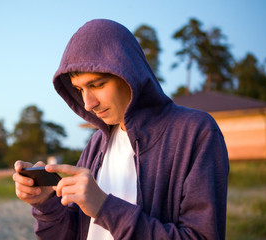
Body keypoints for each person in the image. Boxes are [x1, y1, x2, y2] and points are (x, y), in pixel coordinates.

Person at [13, 19, 229, 239]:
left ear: (129, 74)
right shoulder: (97, 144)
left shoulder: (196, 133)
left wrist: (105, 208)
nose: (88, 103)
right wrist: (46, 203)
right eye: (79, 89)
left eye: (97, 85)